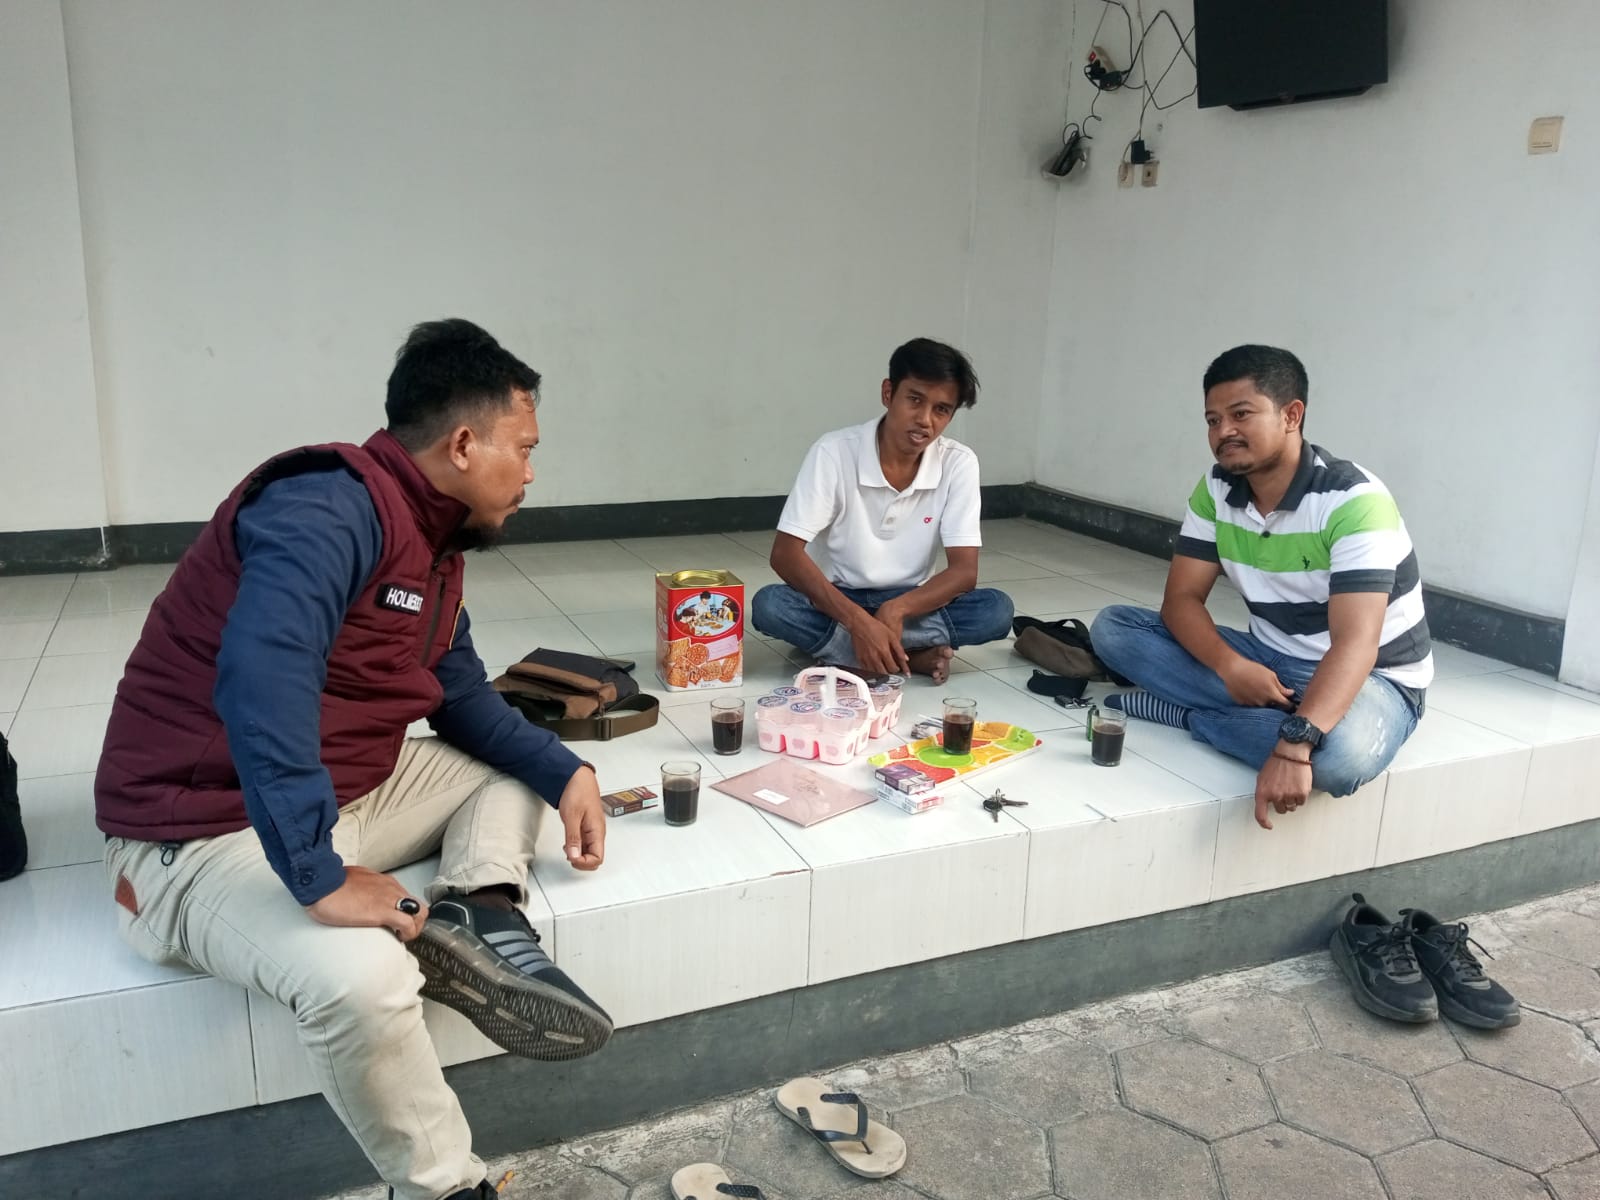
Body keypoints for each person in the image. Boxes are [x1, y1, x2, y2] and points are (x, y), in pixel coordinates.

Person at [94, 320, 612, 1200]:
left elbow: (459, 695)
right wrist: (318, 872)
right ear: (462, 444)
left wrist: (568, 772)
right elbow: (263, 674)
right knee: (365, 981)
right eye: (523, 449)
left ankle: (481, 916)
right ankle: (448, 1190)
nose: (530, 474)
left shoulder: (434, 546)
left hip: (344, 790)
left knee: (514, 771)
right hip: (200, 828)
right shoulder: (326, 508)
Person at [1090, 345, 1432, 830]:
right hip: (1268, 660)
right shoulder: (1215, 490)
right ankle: (1269, 711)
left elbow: (1357, 642)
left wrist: (1294, 748)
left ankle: (1188, 715)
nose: (1223, 432)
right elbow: (1181, 600)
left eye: (1241, 414)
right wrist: (1231, 667)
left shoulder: (1353, 500)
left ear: (1291, 416)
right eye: (1212, 420)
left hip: (1375, 677)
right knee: (1114, 628)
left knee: (1340, 761)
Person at [751, 338, 1014, 685]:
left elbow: (964, 572)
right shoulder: (834, 452)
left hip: (911, 602)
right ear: (888, 393)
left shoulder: (958, 463)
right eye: (915, 400)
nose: (925, 420)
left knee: (997, 610)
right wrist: (858, 621)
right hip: (838, 598)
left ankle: (847, 652)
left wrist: (896, 609)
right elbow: (785, 555)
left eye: (941, 409)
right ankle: (906, 656)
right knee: (770, 606)